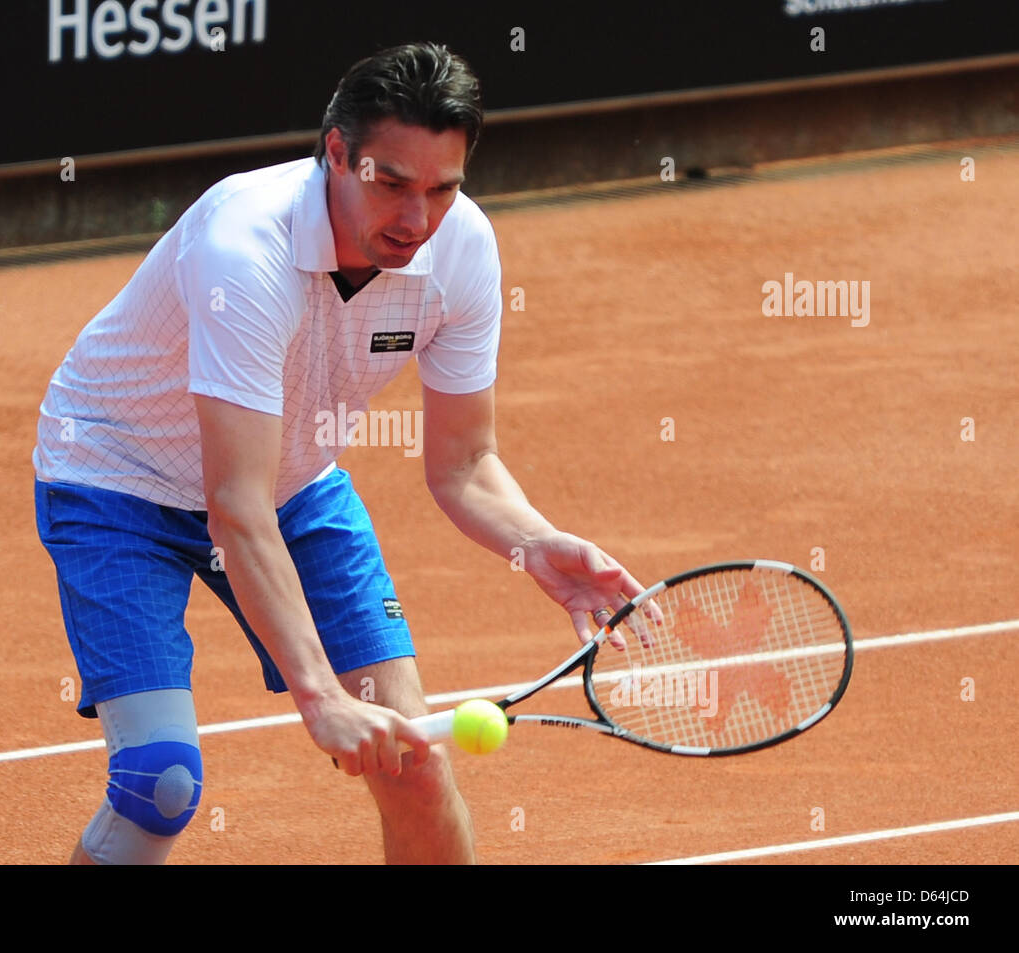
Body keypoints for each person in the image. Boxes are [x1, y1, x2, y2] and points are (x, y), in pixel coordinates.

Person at [33, 41, 652, 865]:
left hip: (290, 482)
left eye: (441, 188)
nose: (415, 220)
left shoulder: (460, 250)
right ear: (335, 153)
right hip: (118, 477)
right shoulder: (244, 248)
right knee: (160, 784)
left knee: (414, 766)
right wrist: (319, 697)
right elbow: (235, 508)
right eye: (390, 182)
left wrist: (533, 542)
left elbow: (463, 464)